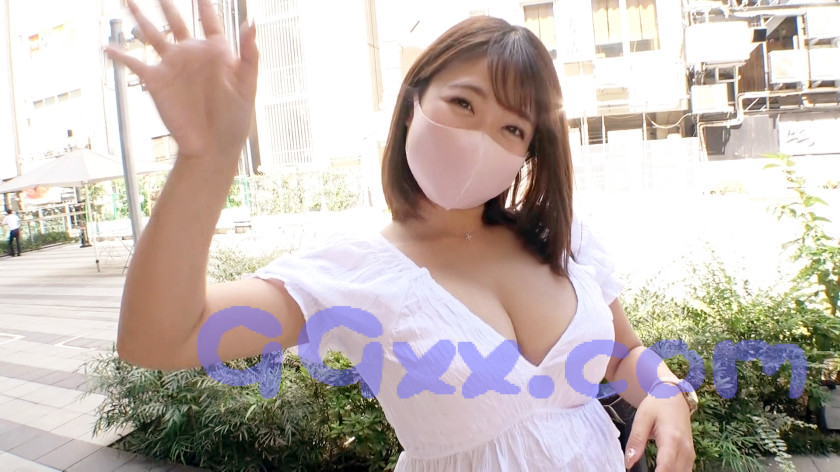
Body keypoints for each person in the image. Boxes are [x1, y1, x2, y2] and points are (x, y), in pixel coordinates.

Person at [108, 1, 696, 470]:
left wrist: (667, 390)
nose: (481, 138)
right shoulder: (355, 270)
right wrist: (206, 159)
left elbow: (622, 355)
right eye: (464, 103)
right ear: (412, 103)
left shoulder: (561, 239)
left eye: (512, 128)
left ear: (528, 152)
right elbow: (160, 337)